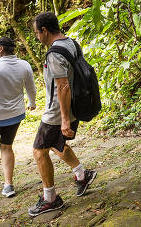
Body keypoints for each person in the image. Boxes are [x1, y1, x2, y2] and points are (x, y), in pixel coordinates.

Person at [29, 12, 96, 217]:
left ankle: (50, 199)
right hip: (74, 105)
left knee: (39, 151)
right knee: (56, 145)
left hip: (58, 111)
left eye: (36, 33)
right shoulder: (71, 43)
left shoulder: (55, 54)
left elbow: (63, 86)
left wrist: (65, 119)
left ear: (45, 31)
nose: (36, 37)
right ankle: (82, 175)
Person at [0, 36, 37, 198]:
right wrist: (32, 102)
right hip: (15, 115)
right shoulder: (24, 65)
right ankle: (8, 185)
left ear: (1, 48)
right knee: (6, 147)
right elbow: (31, 86)